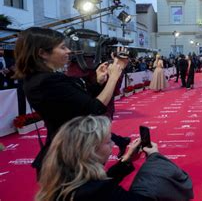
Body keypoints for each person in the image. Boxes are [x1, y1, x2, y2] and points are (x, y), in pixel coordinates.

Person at [14, 27, 125, 176]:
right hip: (69, 157)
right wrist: (114, 77)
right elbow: (94, 107)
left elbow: (76, 99)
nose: (68, 51)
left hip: (69, 150)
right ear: (42, 53)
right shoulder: (45, 81)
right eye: (62, 47)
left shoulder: (44, 78)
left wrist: (97, 81)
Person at [36, 116, 194, 201]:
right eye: (107, 141)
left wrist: (126, 160)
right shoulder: (98, 192)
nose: (113, 144)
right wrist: (154, 158)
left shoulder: (63, 179)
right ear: (91, 151)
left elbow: (99, 182)